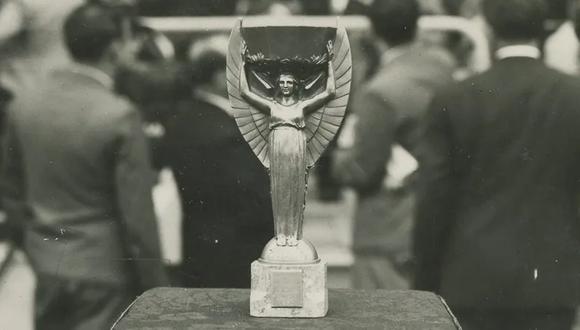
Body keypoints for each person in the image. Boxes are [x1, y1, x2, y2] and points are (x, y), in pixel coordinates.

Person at [0, 3, 169, 329]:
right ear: (115, 48)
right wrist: (156, 286)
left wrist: (35, 242)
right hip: (105, 272)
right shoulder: (118, 114)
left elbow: (9, 186)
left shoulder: (25, 105)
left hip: (47, 263)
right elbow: (138, 219)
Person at [413, 0, 580, 329]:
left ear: (488, 29)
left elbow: (434, 199)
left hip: (471, 276)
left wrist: (425, 280)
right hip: (551, 279)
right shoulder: (572, 96)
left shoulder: (455, 98)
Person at [332, 0, 455, 289]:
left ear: (372, 32)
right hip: (435, 216)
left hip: (386, 229)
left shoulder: (380, 92)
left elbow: (361, 170)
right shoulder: (443, 70)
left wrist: (340, 159)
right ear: (416, 26)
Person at [161, 35, 273, 288]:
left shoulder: (183, 118)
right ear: (216, 77)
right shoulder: (225, 131)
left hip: (198, 244)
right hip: (234, 254)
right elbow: (256, 200)